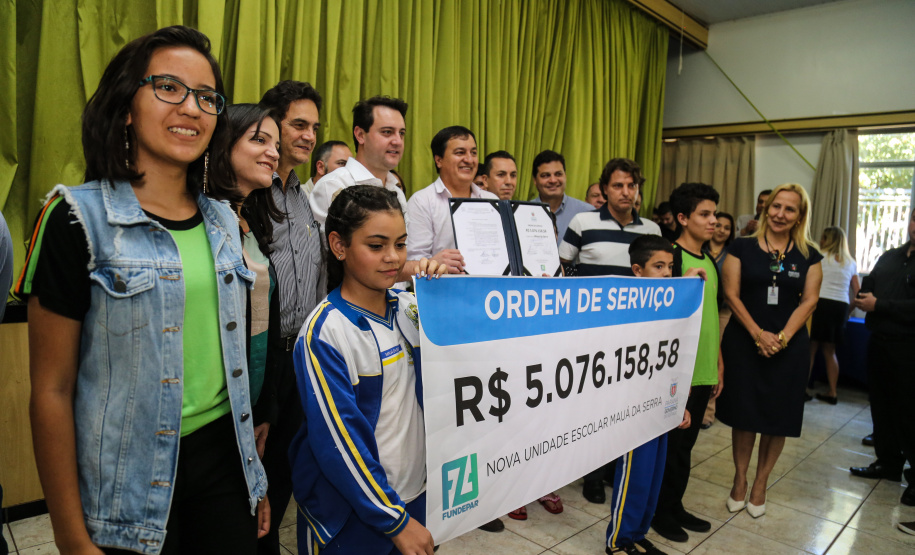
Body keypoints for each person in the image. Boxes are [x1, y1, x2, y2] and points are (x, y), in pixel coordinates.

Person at [15, 26, 268, 553]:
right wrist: (69, 534)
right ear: (126, 106)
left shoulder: (224, 219)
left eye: (206, 97)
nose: (192, 108)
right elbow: (51, 392)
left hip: (225, 468)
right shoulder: (73, 218)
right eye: (168, 88)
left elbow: (234, 366)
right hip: (126, 485)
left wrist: (254, 477)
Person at [289, 185, 445, 555]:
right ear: (339, 246)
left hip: (416, 496)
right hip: (352, 515)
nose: (393, 257)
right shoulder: (326, 333)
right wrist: (394, 520)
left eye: (401, 244)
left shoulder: (411, 309)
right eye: (376, 246)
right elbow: (339, 444)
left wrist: (443, 295)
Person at [718, 183, 822, 519]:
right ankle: (739, 478)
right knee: (745, 415)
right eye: (776, 206)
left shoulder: (810, 255)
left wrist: (781, 338)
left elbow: (810, 300)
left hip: (788, 348)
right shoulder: (741, 247)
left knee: (778, 419)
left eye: (789, 209)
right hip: (744, 341)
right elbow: (731, 295)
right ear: (766, 208)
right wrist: (758, 334)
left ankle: (761, 483)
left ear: (799, 216)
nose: (780, 214)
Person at [560, 158, 660, 503]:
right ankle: (591, 474)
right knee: (592, 408)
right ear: (604, 189)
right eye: (618, 185)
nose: (625, 192)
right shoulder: (582, 222)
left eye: (632, 185)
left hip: (633, 339)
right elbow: (560, 268)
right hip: (590, 335)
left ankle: (613, 471)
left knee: (624, 407)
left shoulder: (651, 230)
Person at [258, 79, 325, 555]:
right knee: (251, 475)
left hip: (301, 357)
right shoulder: (247, 192)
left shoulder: (304, 196)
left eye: (315, 128)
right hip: (262, 360)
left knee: (283, 469)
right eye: (299, 124)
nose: (308, 135)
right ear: (272, 124)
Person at [604, 235, 693, 555]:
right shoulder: (626, 307)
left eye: (670, 266)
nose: (667, 273)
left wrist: (678, 401)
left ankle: (639, 532)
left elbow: (674, 359)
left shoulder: (669, 308)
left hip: (661, 402)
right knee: (634, 472)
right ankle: (619, 540)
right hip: (633, 405)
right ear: (638, 271)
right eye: (659, 266)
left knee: (654, 473)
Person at [211, 103, 286, 460]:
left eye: (276, 145)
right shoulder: (201, 223)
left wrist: (264, 411)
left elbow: (265, 326)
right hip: (211, 413)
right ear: (223, 145)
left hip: (251, 402)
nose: (273, 153)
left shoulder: (252, 224)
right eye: (260, 140)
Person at [650, 183, 722, 543]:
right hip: (680, 370)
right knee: (672, 447)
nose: (713, 221)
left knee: (688, 445)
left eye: (714, 214)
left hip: (705, 368)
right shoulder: (673, 258)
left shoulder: (710, 260)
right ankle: (660, 512)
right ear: (682, 218)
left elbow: (711, 315)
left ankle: (675, 505)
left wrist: (719, 362)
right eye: (704, 215)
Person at [849, 207, 915, 514]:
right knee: (881, 406)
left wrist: (881, 304)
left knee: (908, 412)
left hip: (909, 347)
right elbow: (870, 281)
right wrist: (864, 295)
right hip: (879, 342)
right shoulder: (890, 255)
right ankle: (888, 464)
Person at [406, 126, 497, 274]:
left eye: (473, 153)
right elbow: (409, 264)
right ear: (439, 160)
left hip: (492, 292)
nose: (469, 160)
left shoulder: (491, 201)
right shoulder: (422, 201)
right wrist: (433, 264)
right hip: (441, 292)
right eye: (460, 153)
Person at [310, 96, 409, 229]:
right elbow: (327, 248)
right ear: (360, 135)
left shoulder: (397, 193)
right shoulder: (333, 186)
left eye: (401, 133)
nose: (397, 141)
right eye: (387, 132)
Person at [808, 226, 859, 404]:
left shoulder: (819, 257)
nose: (820, 240)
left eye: (823, 237)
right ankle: (833, 392)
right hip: (840, 306)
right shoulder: (850, 263)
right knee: (830, 351)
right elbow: (858, 293)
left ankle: (801, 389)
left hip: (820, 303)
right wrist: (848, 310)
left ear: (827, 240)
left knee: (811, 348)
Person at [701, 211, 735, 428]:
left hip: (722, 311)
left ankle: (708, 413)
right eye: (719, 225)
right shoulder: (699, 250)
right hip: (698, 311)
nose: (721, 230)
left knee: (715, 358)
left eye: (727, 227)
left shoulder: (732, 255)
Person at [530, 150, 592, 242]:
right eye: (545, 175)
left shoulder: (587, 212)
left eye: (558, 174)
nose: (553, 180)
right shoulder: (523, 212)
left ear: (565, 176)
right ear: (535, 180)